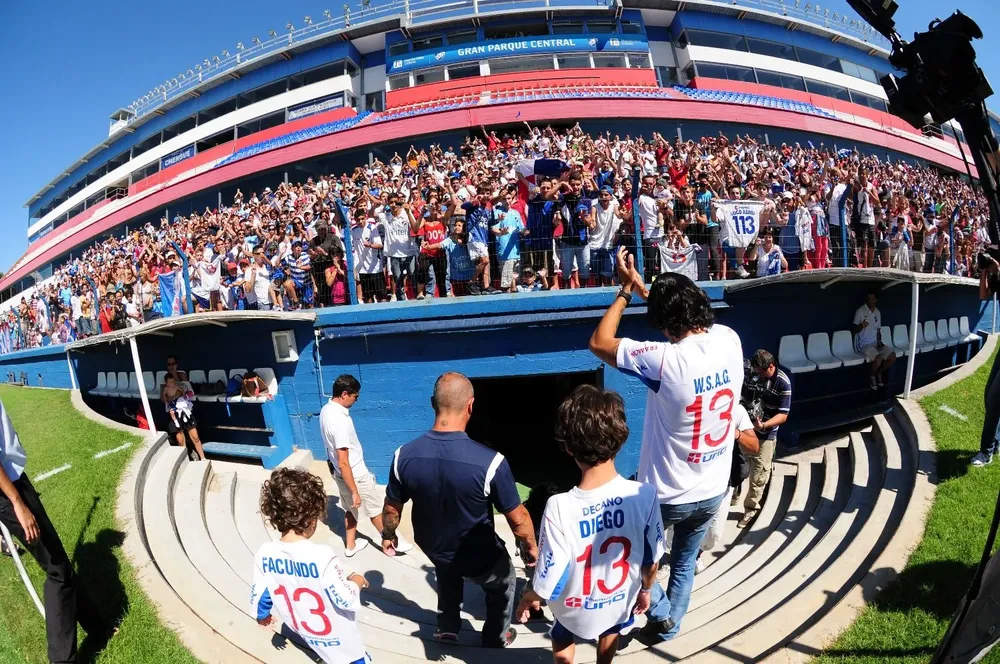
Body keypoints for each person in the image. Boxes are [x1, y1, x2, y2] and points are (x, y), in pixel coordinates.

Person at [588, 246, 744, 641]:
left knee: (626, 558)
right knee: (685, 561)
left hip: (667, 496)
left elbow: (600, 341)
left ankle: (658, 612)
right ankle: (667, 628)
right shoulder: (730, 339)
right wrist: (649, 293)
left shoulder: (664, 360)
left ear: (661, 323)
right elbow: (685, 322)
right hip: (713, 488)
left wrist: (626, 291)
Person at [380, 372, 538, 648]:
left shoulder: (402, 455)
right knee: (504, 581)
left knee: (446, 569)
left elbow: (392, 508)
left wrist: (388, 534)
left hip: (434, 546)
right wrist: (529, 549)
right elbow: (519, 519)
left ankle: (448, 627)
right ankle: (496, 635)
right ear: (470, 406)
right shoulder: (491, 462)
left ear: (433, 403)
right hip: (478, 553)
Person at [515, 385, 664, 664]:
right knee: (610, 632)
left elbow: (552, 576)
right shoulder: (645, 495)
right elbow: (651, 559)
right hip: (617, 603)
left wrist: (528, 596)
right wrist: (645, 590)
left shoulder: (558, 506)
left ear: (568, 447)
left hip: (573, 610)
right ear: (620, 438)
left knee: (561, 635)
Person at [0, 397, 110, 663]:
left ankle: (98, 629)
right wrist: (18, 502)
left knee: (59, 561)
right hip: (10, 492)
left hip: (12, 484)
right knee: (57, 571)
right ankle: (62, 660)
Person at [250, 468, 372, 664]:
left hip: (308, 633)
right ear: (311, 518)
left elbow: (262, 595)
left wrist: (262, 616)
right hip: (342, 644)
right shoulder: (322, 556)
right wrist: (357, 580)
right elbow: (345, 599)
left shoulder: (265, 554)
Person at [320, 374, 412, 557]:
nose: (356, 400)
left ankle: (351, 546)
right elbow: (344, 460)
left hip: (339, 474)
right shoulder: (340, 421)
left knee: (349, 510)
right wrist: (354, 490)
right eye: (355, 396)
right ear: (345, 394)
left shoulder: (326, 410)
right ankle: (391, 542)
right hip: (355, 474)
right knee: (375, 509)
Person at [697, 403, 758, 571]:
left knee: (714, 535)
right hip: (694, 482)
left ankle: (697, 553)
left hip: (723, 484)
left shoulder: (736, 410)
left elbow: (754, 445)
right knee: (682, 529)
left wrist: (736, 433)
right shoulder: (695, 404)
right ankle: (678, 558)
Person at [737, 350, 791, 528]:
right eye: (756, 372)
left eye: (761, 373)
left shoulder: (783, 383)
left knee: (758, 475)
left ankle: (750, 510)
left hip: (766, 433)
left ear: (771, 366)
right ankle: (735, 495)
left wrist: (764, 425)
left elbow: (783, 416)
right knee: (738, 466)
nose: (758, 376)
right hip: (746, 429)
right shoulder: (752, 375)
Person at [852, 288, 896, 390]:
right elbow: (854, 330)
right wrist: (862, 326)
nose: (871, 301)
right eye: (869, 299)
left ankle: (878, 373)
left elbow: (878, 330)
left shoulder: (878, 312)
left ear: (876, 300)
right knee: (879, 358)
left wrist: (879, 342)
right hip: (864, 345)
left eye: (873, 299)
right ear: (866, 300)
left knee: (892, 356)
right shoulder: (860, 311)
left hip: (876, 343)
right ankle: (872, 376)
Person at [161, 374, 205, 461]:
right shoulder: (164, 388)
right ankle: (186, 461)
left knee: (195, 437)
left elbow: (187, 393)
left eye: (173, 364)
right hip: (175, 412)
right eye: (169, 365)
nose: (171, 366)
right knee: (180, 441)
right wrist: (170, 399)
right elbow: (163, 399)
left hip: (185, 411)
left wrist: (179, 395)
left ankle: (203, 458)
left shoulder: (182, 380)